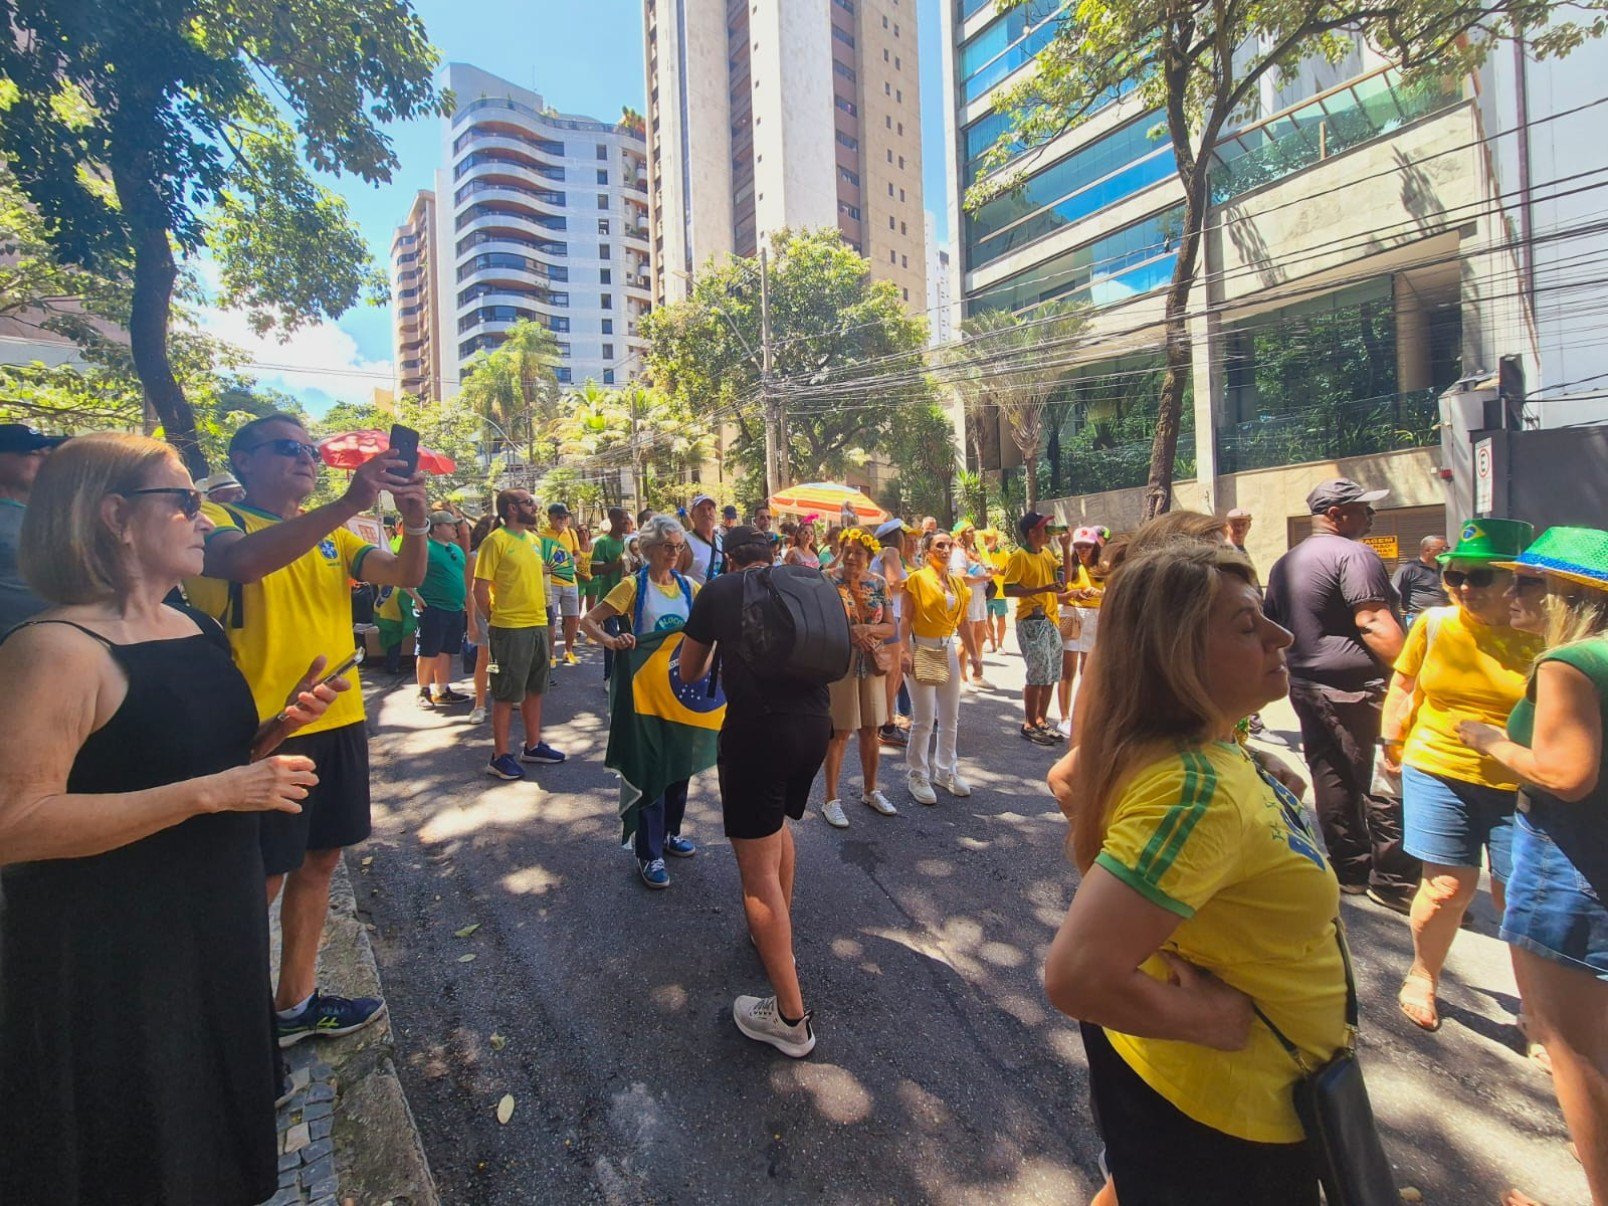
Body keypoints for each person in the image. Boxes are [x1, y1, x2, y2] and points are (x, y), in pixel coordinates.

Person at [0, 433, 342, 1204]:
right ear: (117, 516)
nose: (206, 514)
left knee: (215, 1123)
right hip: (117, 947)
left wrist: (274, 734)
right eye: (185, 499)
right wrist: (212, 793)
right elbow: (15, 822)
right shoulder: (54, 650)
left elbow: (187, 757)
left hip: (212, 920)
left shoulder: (192, 627)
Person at [1044, 539, 1345, 1205]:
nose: (1281, 635)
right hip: (1224, 1117)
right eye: (1246, 626)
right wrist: (1203, 1019)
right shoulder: (1192, 790)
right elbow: (1077, 973)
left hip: (1236, 1101)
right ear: (1176, 658)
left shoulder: (1210, 753)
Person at [194, 412, 427, 1045]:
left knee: (321, 860)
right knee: (260, 877)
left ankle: (293, 1006)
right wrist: (349, 499)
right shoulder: (218, 523)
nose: (306, 458)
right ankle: (219, 1028)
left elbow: (405, 575)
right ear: (242, 459)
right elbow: (240, 565)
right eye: (287, 448)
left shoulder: (340, 538)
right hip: (264, 731)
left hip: (340, 719)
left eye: (310, 450)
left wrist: (414, 520)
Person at [1457, 526, 1608, 1206]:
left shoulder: (1570, 663)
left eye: (1526, 581)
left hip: (1573, 867)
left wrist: (1492, 740)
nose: (1508, 592)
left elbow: (1566, 773)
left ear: (1570, 596)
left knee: (1578, 1058)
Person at [1379, 519, 1541, 1031]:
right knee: (1448, 885)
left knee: (1516, 896)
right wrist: (1392, 743)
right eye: (1455, 576)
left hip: (1522, 782)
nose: (1465, 587)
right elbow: (1404, 686)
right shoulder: (1434, 625)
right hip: (1438, 765)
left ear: (1516, 580)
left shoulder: (1544, 639)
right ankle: (1423, 975)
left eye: (1480, 577)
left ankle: (1538, 1010)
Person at [678, 525, 830, 1058]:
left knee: (755, 871)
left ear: (729, 558)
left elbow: (689, 669)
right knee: (776, 828)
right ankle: (775, 935)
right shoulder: (804, 581)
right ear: (769, 556)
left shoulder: (719, 591)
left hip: (757, 733)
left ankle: (790, 1019)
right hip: (815, 724)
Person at [1264, 478, 1418, 908]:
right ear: (1335, 514)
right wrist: (1414, 675)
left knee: (1330, 771)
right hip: (1359, 689)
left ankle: (1350, 868)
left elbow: (1275, 625)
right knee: (1383, 778)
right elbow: (1373, 621)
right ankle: (1393, 881)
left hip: (1307, 684)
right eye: (1363, 509)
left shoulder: (1286, 562)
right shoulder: (1354, 554)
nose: (1371, 517)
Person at [579, 515, 699, 887]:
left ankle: (669, 832)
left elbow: (707, 628)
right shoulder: (633, 586)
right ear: (648, 549)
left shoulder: (689, 587)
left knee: (680, 765)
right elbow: (589, 622)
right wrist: (614, 642)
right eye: (668, 547)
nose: (675, 553)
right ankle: (648, 852)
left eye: (679, 547)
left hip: (681, 692)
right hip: (645, 693)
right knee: (652, 771)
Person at [474, 489, 566, 780]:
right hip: (509, 629)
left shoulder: (534, 540)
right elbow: (479, 588)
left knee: (535, 688)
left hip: (537, 624)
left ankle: (533, 745)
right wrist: (494, 620)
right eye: (529, 502)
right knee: (505, 693)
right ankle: (499, 756)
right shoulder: (495, 541)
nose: (535, 506)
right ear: (512, 509)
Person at [819, 527, 897, 827]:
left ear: (869, 556)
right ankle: (830, 799)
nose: (852, 557)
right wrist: (850, 633)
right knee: (839, 731)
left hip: (872, 662)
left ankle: (870, 790)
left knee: (870, 728)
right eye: (848, 550)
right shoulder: (827, 580)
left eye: (859, 553)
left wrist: (868, 630)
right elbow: (822, 621)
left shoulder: (878, 584)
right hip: (841, 662)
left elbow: (891, 626)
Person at [901, 530, 972, 804]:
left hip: (947, 648)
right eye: (939, 545)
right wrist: (904, 652)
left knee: (950, 715)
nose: (945, 549)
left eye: (948, 545)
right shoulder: (917, 580)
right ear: (927, 551)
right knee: (924, 718)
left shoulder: (956, 584)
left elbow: (963, 622)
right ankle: (917, 774)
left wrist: (975, 655)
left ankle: (946, 770)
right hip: (922, 646)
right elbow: (905, 619)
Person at [1004, 511, 1074, 746]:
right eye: (1044, 528)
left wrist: (1066, 549)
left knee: (1051, 671)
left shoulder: (1046, 554)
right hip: (1031, 621)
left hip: (1050, 619)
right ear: (1032, 532)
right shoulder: (1019, 557)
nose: (1048, 533)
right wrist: (1041, 589)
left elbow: (1064, 583)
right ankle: (1029, 723)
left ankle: (1042, 720)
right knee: (1036, 672)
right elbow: (1009, 589)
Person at [0, 422, 66, 635]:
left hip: (59, 642)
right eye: (33, 453)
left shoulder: (53, 513)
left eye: (47, 452)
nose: (46, 459)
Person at [415, 510, 471, 708]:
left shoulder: (455, 550)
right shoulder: (425, 548)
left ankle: (442, 689)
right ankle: (423, 690)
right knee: (428, 650)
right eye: (449, 525)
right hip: (433, 607)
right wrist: (415, 596)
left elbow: (462, 577)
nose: (454, 528)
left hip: (454, 608)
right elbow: (403, 573)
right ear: (436, 527)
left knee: (447, 650)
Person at [1057, 525, 1106, 734]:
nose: (1082, 550)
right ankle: (1064, 717)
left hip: (1094, 617)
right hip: (1071, 614)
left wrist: (1101, 593)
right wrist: (1073, 594)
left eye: (1087, 546)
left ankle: (1085, 714)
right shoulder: (1069, 566)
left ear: (1095, 546)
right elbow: (1058, 592)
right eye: (1078, 546)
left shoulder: (1104, 568)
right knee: (1068, 669)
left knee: (1088, 670)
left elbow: (1115, 592)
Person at [874, 517, 914, 748]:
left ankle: (886, 723)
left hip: (889, 615)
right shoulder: (891, 552)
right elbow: (893, 582)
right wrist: (917, 582)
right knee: (893, 675)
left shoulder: (886, 553)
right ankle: (887, 726)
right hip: (892, 617)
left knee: (894, 675)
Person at [539, 502, 583, 666]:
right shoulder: (541, 535)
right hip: (550, 583)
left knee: (573, 617)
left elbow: (577, 554)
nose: (563, 519)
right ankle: (551, 654)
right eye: (559, 516)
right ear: (550, 517)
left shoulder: (571, 533)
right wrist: (541, 566)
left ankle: (568, 650)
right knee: (551, 619)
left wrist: (574, 562)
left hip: (570, 582)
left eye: (565, 516)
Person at [590, 507, 632, 682]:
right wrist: (617, 565)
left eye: (627, 519)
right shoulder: (602, 543)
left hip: (627, 598)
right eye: (623, 519)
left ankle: (626, 675)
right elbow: (594, 569)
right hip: (609, 598)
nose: (626, 522)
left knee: (629, 636)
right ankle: (608, 677)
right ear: (613, 520)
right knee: (611, 638)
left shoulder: (629, 541)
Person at [950, 521, 991, 687]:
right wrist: (984, 578)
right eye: (969, 531)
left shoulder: (973, 551)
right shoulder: (958, 553)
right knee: (967, 640)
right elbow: (961, 576)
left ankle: (977, 675)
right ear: (961, 535)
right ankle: (961, 677)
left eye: (973, 531)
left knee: (980, 637)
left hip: (980, 597)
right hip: (969, 598)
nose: (973, 534)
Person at [466, 515, 495, 724]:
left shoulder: (499, 554)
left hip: (501, 612)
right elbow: (470, 592)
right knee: (483, 658)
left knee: (498, 658)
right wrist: (472, 622)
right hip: (483, 613)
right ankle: (480, 704)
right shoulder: (475, 557)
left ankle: (500, 693)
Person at [1393, 534, 1452, 626]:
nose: (1446, 552)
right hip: (1419, 618)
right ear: (1427, 550)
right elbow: (1393, 592)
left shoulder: (1445, 568)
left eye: (1447, 548)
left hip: (1444, 618)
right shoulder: (1409, 569)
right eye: (1443, 549)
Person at [680, 493, 725, 585]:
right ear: (692, 516)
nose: (706, 513)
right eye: (701, 509)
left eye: (709, 509)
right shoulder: (684, 542)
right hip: (695, 598)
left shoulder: (722, 541)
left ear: (715, 513)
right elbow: (674, 577)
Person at [981, 528, 1009, 653]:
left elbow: (1010, 571)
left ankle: (1000, 645)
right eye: (985, 538)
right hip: (985, 592)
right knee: (987, 619)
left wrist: (999, 572)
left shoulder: (1005, 554)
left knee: (1001, 619)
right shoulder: (981, 553)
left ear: (996, 539)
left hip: (1000, 592)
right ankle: (992, 644)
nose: (987, 541)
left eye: (989, 538)